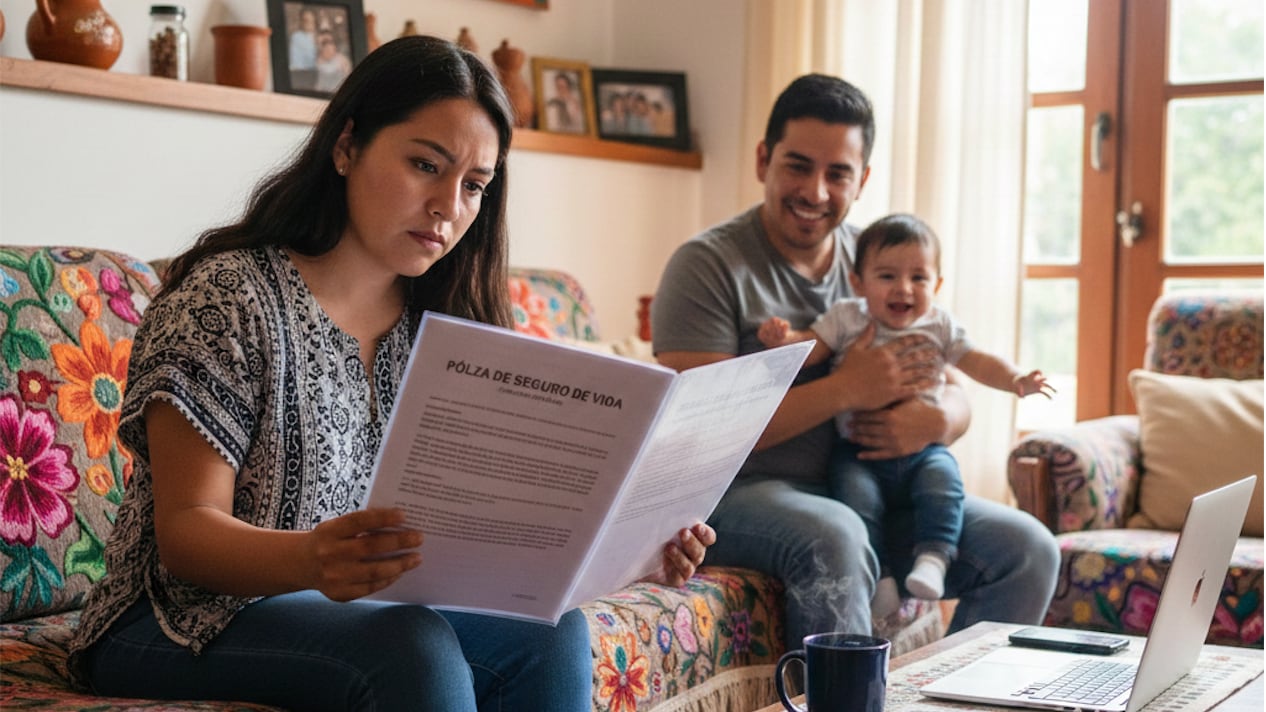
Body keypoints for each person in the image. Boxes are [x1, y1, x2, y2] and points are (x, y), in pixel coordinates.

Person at [67, 35, 714, 712]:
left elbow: (496, 530)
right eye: (425, 165)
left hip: (359, 612)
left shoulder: (450, 325)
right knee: (410, 644)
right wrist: (312, 560)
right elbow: (187, 535)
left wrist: (637, 545)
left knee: (550, 633)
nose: (448, 207)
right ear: (346, 147)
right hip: (174, 619)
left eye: (474, 187)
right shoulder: (228, 298)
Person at [651, 73, 1059, 649]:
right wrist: (846, 388)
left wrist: (941, 419)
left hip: (872, 487)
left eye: (837, 173)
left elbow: (948, 366)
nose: (816, 191)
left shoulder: (881, 260)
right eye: (797, 165)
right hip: (745, 493)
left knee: (1028, 549)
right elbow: (699, 433)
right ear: (763, 159)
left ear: (861, 180)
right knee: (836, 534)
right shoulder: (708, 265)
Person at [757, 212, 1054, 614]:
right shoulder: (847, 318)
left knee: (944, 486)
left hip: (922, 450)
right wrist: (784, 340)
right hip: (857, 451)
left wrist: (1016, 379)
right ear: (857, 283)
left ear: (938, 285)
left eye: (919, 278)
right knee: (856, 501)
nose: (904, 289)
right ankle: (881, 580)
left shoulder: (938, 325)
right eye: (887, 277)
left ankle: (934, 558)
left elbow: (977, 361)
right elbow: (811, 349)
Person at [288, 8, 318, 90]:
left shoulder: (320, 37)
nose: (308, 23)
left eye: (310, 20)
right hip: (302, 75)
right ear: (301, 21)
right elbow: (295, 63)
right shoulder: (297, 37)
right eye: (305, 20)